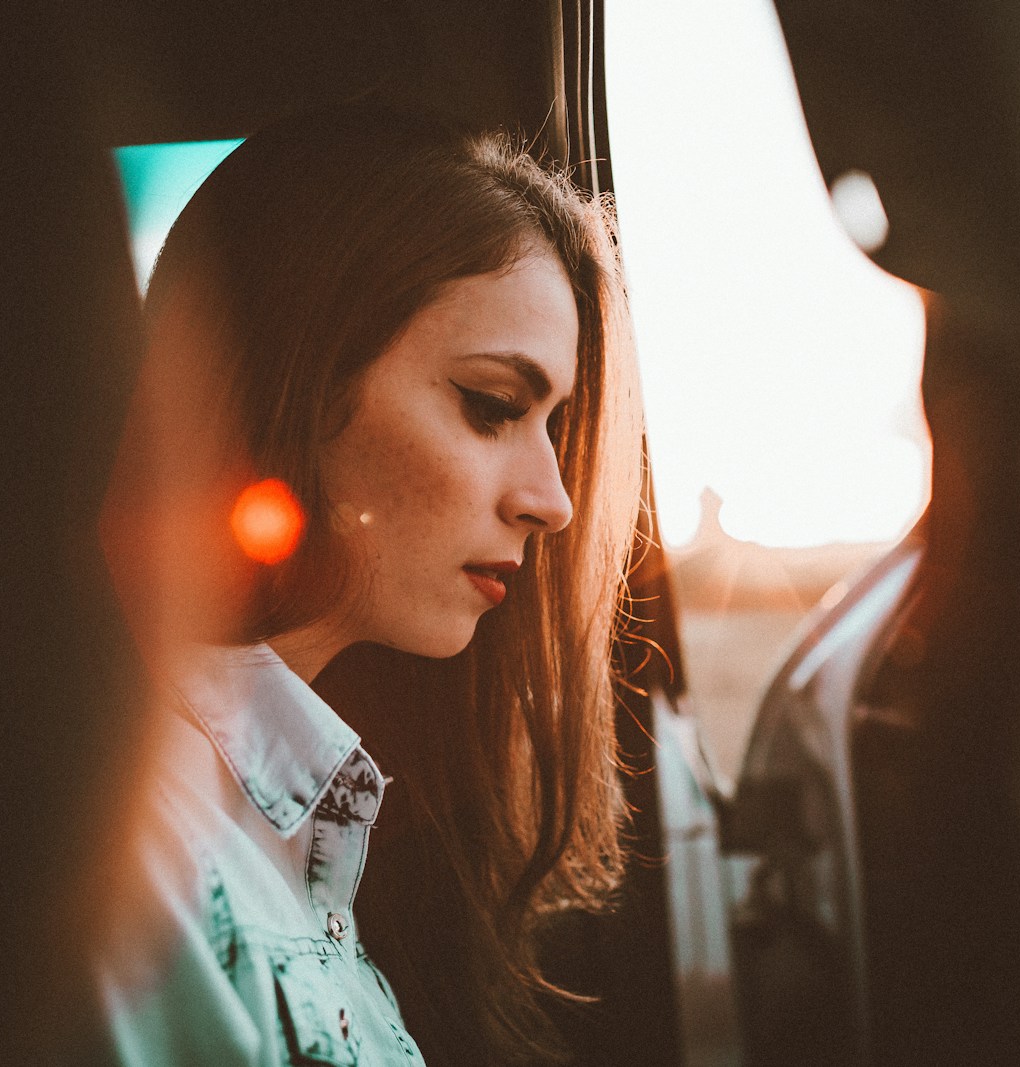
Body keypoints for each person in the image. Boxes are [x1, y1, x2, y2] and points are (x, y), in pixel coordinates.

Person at [93, 104, 645, 1067]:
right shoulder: (145, 861)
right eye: (492, 406)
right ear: (293, 374)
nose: (553, 501)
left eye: (553, 423)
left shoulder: (326, 827)